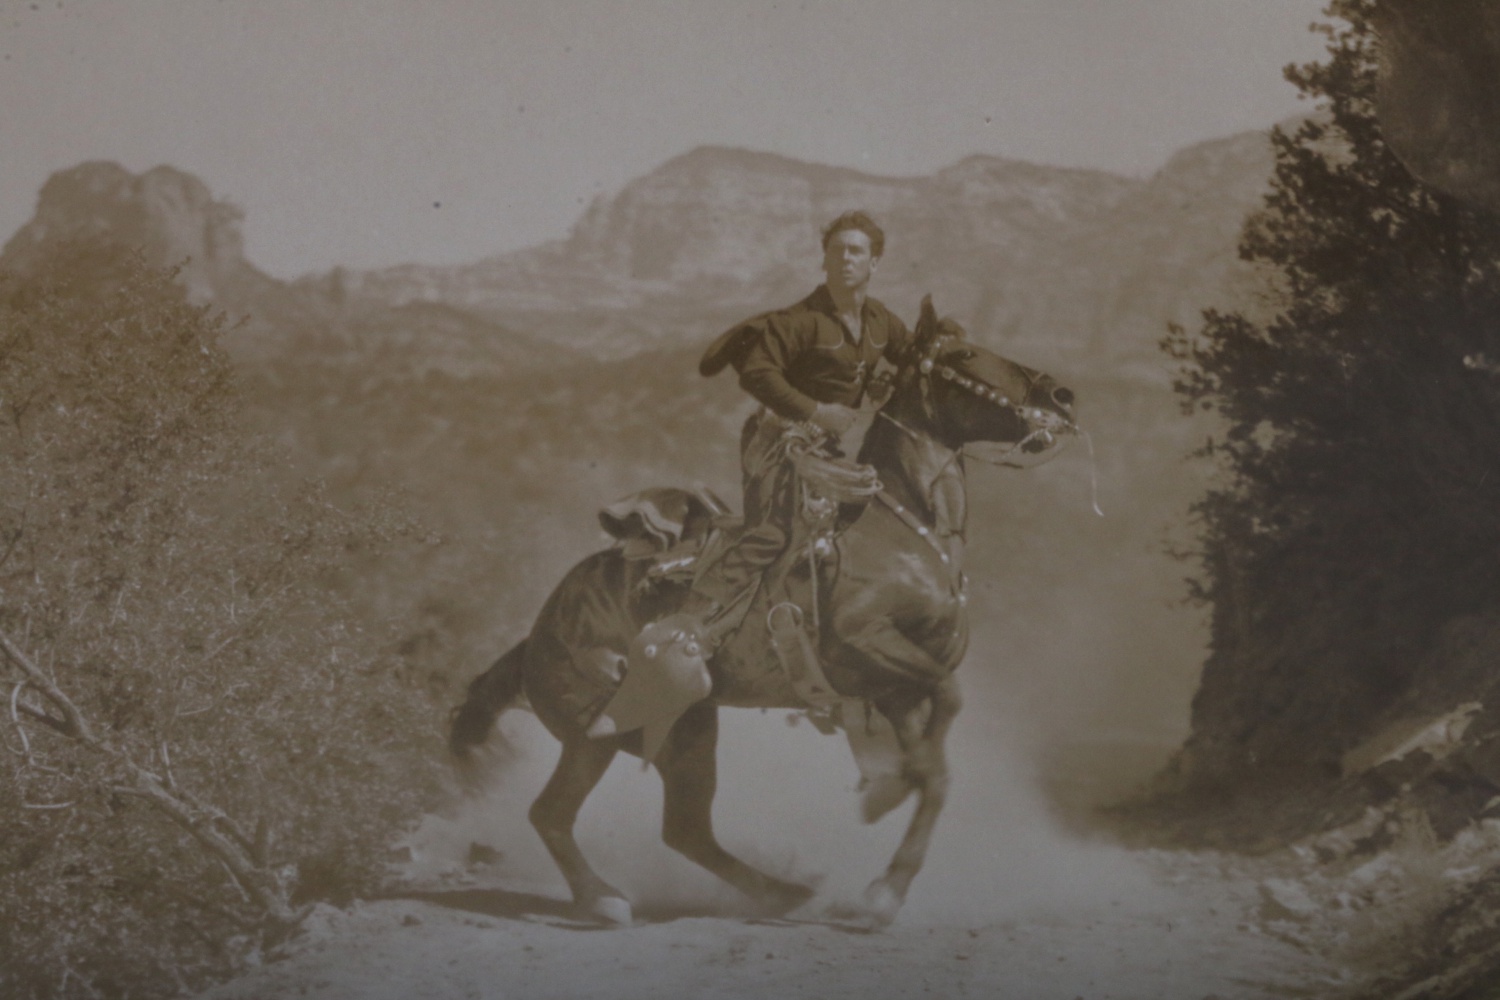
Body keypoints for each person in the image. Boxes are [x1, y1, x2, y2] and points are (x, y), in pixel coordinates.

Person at [588, 210, 913, 754]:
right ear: (824, 258)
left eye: (856, 251)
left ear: (875, 261)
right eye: (836, 250)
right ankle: (690, 626)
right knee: (775, 534)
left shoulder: (882, 323)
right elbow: (757, 372)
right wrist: (815, 409)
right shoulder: (799, 321)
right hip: (779, 444)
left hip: (833, 454)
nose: (845, 258)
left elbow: (905, 362)